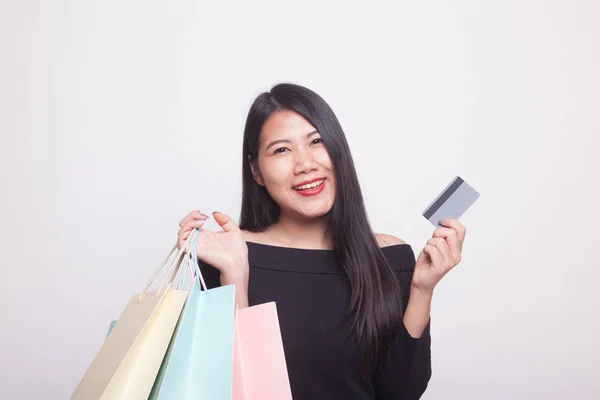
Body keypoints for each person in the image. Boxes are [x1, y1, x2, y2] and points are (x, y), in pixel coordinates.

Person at [176, 83, 466, 399]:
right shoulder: (225, 255)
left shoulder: (391, 256)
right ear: (256, 170)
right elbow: (221, 390)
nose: (306, 164)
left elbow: (399, 393)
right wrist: (234, 277)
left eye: (316, 141)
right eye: (282, 149)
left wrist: (422, 290)